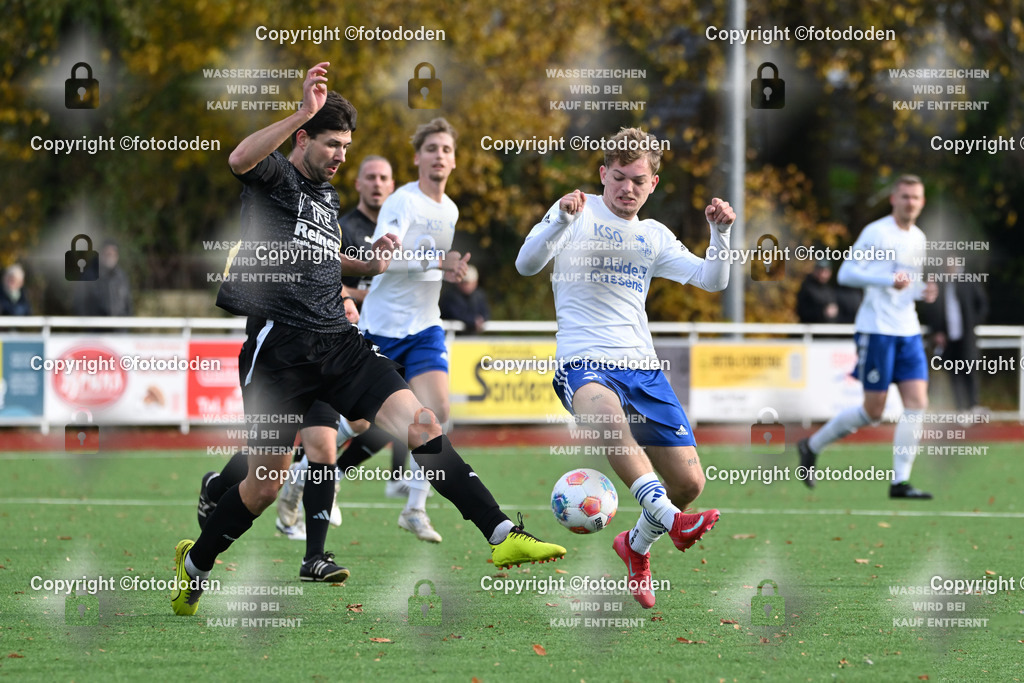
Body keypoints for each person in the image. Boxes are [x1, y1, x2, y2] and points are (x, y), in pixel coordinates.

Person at [172, 63, 565, 616]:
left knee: (423, 422)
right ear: (304, 137)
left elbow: (323, 261)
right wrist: (301, 112)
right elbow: (238, 159)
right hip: (279, 351)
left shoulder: (328, 199)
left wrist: (368, 263)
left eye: (346, 147)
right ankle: (196, 564)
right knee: (262, 487)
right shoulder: (276, 177)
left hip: (338, 341)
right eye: (331, 143)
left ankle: (501, 532)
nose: (340, 155)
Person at [515, 127, 736, 609]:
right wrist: (557, 220)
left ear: (653, 184)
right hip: (584, 360)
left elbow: (712, 280)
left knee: (689, 484)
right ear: (602, 174)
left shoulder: (653, 235)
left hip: (643, 367)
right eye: (618, 177)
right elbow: (526, 264)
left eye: (638, 180)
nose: (627, 188)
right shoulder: (574, 211)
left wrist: (721, 234)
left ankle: (635, 546)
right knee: (610, 421)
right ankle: (672, 522)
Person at [356, 117, 471, 544]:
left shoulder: (451, 209)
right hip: (381, 329)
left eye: (446, 149)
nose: (439, 155)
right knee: (356, 427)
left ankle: (415, 508)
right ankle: (300, 478)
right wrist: (437, 262)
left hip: (424, 327)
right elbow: (384, 256)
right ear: (417, 158)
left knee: (438, 411)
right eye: (431, 149)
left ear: (454, 160)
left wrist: (450, 269)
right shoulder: (402, 202)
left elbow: (431, 269)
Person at [797, 175, 939, 499]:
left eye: (915, 198)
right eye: (904, 196)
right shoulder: (876, 232)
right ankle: (812, 444)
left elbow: (907, 285)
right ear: (893, 199)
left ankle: (900, 482)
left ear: (922, 202)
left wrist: (923, 291)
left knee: (918, 403)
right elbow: (846, 273)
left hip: (909, 330)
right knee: (873, 412)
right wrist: (887, 277)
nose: (910, 203)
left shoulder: (919, 237)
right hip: (877, 330)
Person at [918, 262, 988, 413]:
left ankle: (973, 406)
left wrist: (972, 323)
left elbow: (982, 304)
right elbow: (931, 309)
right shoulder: (938, 282)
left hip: (966, 337)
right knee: (954, 373)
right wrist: (937, 331)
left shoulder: (969, 280)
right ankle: (961, 409)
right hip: (948, 339)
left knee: (969, 369)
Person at [72, 240, 133, 317]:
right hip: (95, 326)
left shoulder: (121, 277)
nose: (111, 257)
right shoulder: (88, 276)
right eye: (108, 254)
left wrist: (124, 324)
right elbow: (79, 304)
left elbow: (128, 305)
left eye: (114, 254)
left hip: (119, 327)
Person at [440, 264, 491, 334]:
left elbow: (485, 313)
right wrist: (473, 321)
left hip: (471, 339)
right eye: (463, 282)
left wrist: (481, 320)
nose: (465, 285)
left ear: (475, 282)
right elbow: (455, 315)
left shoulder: (479, 296)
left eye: (467, 282)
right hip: (450, 339)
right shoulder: (449, 297)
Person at [796, 259, 840, 324]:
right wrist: (823, 312)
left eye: (826, 271)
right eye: (820, 270)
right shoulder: (807, 287)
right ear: (815, 271)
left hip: (828, 331)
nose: (822, 274)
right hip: (810, 331)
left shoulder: (829, 289)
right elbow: (802, 312)